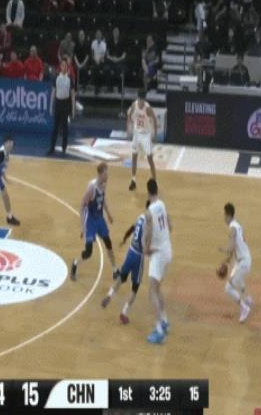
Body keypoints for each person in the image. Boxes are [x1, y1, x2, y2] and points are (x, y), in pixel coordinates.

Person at [101, 201, 149, 324]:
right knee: (135, 287)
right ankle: (124, 312)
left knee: (122, 277)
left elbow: (131, 229)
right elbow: (145, 244)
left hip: (130, 252)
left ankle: (109, 294)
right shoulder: (149, 224)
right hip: (138, 257)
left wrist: (124, 239)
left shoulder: (140, 217)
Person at [71, 162, 119, 281]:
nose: (108, 176)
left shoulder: (104, 184)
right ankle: (75, 264)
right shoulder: (91, 188)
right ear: (100, 174)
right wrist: (83, 226)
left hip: (100, 218)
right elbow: (82, 205)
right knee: (89, 252)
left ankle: (115, 270)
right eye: (106, 174)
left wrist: (108, 214)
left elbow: (103, 199)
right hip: (90, 220)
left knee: (108, 243)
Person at [144, 178, 172, 344]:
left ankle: (159, 330)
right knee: (157, 288)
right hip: (168, 249)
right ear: (157, 190)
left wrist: (146, 249)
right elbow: (170, 225)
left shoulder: (149, 212)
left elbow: (148, 233)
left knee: (151, 292)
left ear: (148, 192)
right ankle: (165, 321)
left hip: (158, 253)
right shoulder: (162, 204)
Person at [218, 203, 253, 323]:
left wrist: (223, 249)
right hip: (243, 261)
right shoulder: (238, 225)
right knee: (238, 281)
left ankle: (244, 308)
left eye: (224, 215)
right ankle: (248, 299)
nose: (224, 218)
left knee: (228, 288)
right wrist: (226, 260)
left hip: (243, 263)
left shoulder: (232, 229)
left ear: (228, 215)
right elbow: (236, 248)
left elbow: (232, 247)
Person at [127, 89, 158, 191]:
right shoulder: (134, 105)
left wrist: (155, 133)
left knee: (149, 158)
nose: (141, 102)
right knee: (134, 156)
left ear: (144, 99)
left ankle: (154, 181)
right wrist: (129, 128)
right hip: (137, 133)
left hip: (145, 134)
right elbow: (129, 116)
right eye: (140, 100)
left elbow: (154, 119)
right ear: (138, 98)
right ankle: (133, 180)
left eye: (143, 100)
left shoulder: (148, 108)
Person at [48, 59, 75, 155]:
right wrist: (51, 106)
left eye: (65, 65)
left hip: (66, 103)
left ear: (67, 67)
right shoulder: (56, 78)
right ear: (60, 66)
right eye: (62, 65)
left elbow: (72, 94)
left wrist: (73, 109)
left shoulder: (69, 78)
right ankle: (52, 148)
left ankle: (64, 147)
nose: (64, 67)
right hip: (58, 103)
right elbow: (53, 92)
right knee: (55, 127)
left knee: (65, 127)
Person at [90, 29, 107, 94]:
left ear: (101, 35)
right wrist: (95, 59)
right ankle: (97, 87)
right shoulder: (93, 42)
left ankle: (97, 87)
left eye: (99, 34)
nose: (98, 36)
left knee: (97, 68)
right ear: (95, 36)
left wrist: (99, 60)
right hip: (94, 59)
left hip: (101, 60)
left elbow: (104, 55)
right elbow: (92, 54)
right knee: (96, 68)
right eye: (97, 34)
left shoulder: (104, 44)